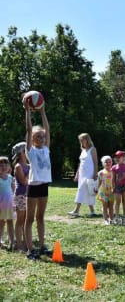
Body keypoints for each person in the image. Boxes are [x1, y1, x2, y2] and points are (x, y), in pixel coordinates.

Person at [23, 98, 52, 259]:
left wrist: (42, 111)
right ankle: (30, 249)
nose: (41, 139)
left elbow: (47, 128)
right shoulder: (31, 151)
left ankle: (41, 246)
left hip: (44, 186)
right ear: (33, 140)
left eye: (42, 137)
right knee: (30, 218)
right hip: (33, 187)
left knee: (41, 217)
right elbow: (28, 129)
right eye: (38, 137)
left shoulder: (46, 149)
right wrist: (27, 110)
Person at [68, 133, 98, 217]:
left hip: (89, 173)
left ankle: (76, 210)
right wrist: (77, 174)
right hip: (82, 174)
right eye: (80, 140)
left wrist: (95, 174)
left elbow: (95, 163)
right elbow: (80, 163)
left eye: (82, 139)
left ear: (87, 139)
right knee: (88, 191)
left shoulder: (93, 149)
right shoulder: (83, 150)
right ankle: (92, 211)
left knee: (81, 189)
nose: (81, 141)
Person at [12, 142, 30, 252]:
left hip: (28, 196)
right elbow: (23, 181)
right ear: (22, 153)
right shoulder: (18, 166)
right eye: (27, 150)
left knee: (26, 221)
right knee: (20, 221)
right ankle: (19, 245)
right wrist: (32, 171)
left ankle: (26, 243)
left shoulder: (29, 165)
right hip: (20, 196)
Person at [112, 150, 125, 225]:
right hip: (117, 186)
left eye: (119, 157)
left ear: (123, 158)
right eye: (116, 157)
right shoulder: (114, 167)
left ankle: (124, 218)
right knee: (117, 202)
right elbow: (113, 178)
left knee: (124, 202)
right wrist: (113, 186)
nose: (117, 159)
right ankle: (116, 217)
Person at [0, 156, 15, 251]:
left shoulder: (10, 178)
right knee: (1, 223)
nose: (4, 166)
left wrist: (14, 203)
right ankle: (0, 240)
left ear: (9, 166)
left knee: (10, 222)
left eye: (6, 164)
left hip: (10, 205)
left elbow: (13, 191)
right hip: (1, 206)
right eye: (1, 165)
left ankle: (12, 241)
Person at [96, 156, 115, 225]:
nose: (108, 163)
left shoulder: (114, 171)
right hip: (103, 192)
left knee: (111, 206)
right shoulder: (101, 173)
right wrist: (97, 189)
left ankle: (111, 219)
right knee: (105, 206)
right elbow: (99, 182)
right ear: (103, 163)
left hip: (112, 191)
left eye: (109, 161)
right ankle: (105, 220)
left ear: (112, 162)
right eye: (106, 162)